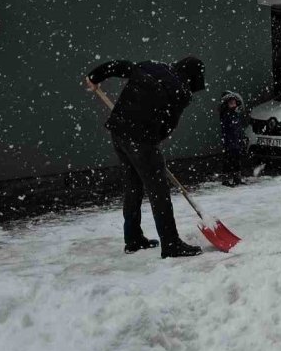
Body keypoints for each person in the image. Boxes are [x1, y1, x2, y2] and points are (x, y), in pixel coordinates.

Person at [85, 56, 206, 258]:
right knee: (159, 191)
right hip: (141, 139)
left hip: (119, 132)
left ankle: (133, 238)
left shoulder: (151, 66)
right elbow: (168, 126)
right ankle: (171, 244)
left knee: (133, 186)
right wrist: (152, 144)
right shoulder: (181, 92)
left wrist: (95, 76)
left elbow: (120, 66)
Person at [218, 91, 252, 186]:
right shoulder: (225, 114)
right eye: (231, 102)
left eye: (234, 102)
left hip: (236, 140)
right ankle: (225, 179)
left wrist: (241, 138)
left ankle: (237, 178)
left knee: (237, 159)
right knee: (228, 160)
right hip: (229, 141)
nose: (233, 104)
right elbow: (228, 128)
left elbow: (238, 128)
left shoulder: (235, 114)